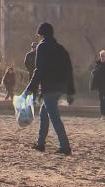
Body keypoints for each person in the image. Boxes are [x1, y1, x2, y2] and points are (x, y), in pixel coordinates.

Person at [24, 22, 75, 156]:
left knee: (54, 117)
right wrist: (70, 90)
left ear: (41, 34)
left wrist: (30, 87)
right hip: (60, 87)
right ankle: (40, 144)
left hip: (49, 87)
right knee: (44, 113)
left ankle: (65, 146)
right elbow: (69, 69)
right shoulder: (61, 48)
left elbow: (39, 69)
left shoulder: (42, 46)